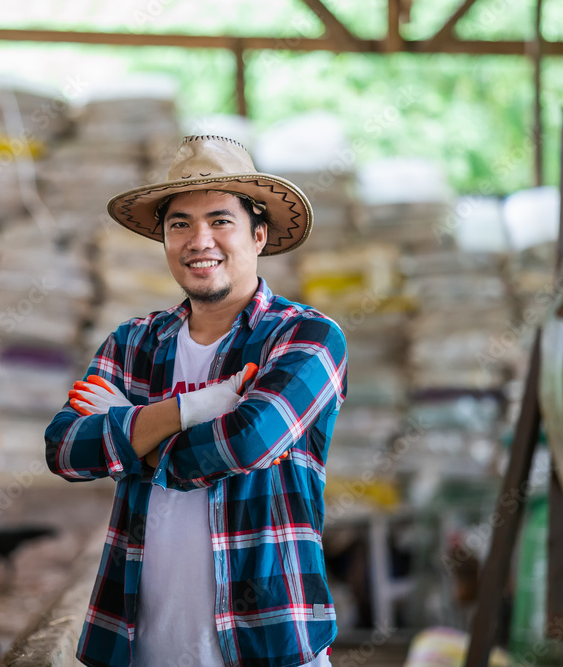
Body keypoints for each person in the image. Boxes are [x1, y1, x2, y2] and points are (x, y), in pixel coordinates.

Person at [45, 135, 348, 667]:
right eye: (179, 224)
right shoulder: (135, 341)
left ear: (258, 235)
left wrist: (129, 430)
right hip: (141, 647)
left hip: (267, 642)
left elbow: (248, 441)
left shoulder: (306, 337)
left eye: (220, 221)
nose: (198, 240)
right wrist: (192, 409)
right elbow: (65, 449)